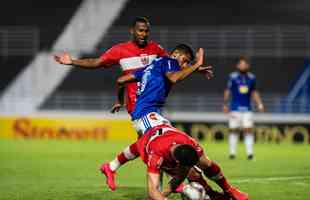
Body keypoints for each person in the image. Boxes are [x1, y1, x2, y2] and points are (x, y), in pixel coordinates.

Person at [101, 44, 213, 191]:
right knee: (165, 147)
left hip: (145, 113)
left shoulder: (152, 66)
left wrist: (120, 101)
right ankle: (193, 186)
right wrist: (197, 65)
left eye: (188, 63)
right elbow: (174, 77)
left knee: (145, 146)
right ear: (176, 54)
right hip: (147, 113)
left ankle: (111, 166)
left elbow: (121, 80)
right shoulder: (169, 61)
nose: (185, 65)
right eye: (185, 61)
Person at [54, 16, 167, 114]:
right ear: (132, 31)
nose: (144, 34)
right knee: (155, 136)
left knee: (151, 137)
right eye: (140, 31)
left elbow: (171, 66)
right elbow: (96, 62)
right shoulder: (119, 50)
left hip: (155, 103)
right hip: (137, 105)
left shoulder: (156, 48)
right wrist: (73, 61)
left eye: (146, 31)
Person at [131, 124, 249, 200]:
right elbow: (152, 192)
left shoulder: (188, 142)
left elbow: (182, 174)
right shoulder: (156, 156)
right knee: (154, 192)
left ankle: (229, 190)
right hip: (146, 134)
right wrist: (161, 196)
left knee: (205, 163)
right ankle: (112, 166)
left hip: (166, 131)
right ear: (177, 162)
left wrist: (163, 194)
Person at [223, 56, 264, 160]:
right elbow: (228, 91)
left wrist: (259, 104)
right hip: (234, 108)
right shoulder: (232, 77)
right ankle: (232, 153)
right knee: (233, 130)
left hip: (247, 109)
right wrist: (225, 104)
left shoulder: (252, 78)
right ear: (237, 66)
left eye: (244, 64)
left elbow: (254, 92)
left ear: (248, 66)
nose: (243, 66)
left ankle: (250, 154)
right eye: (241, 64)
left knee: (248, 130)